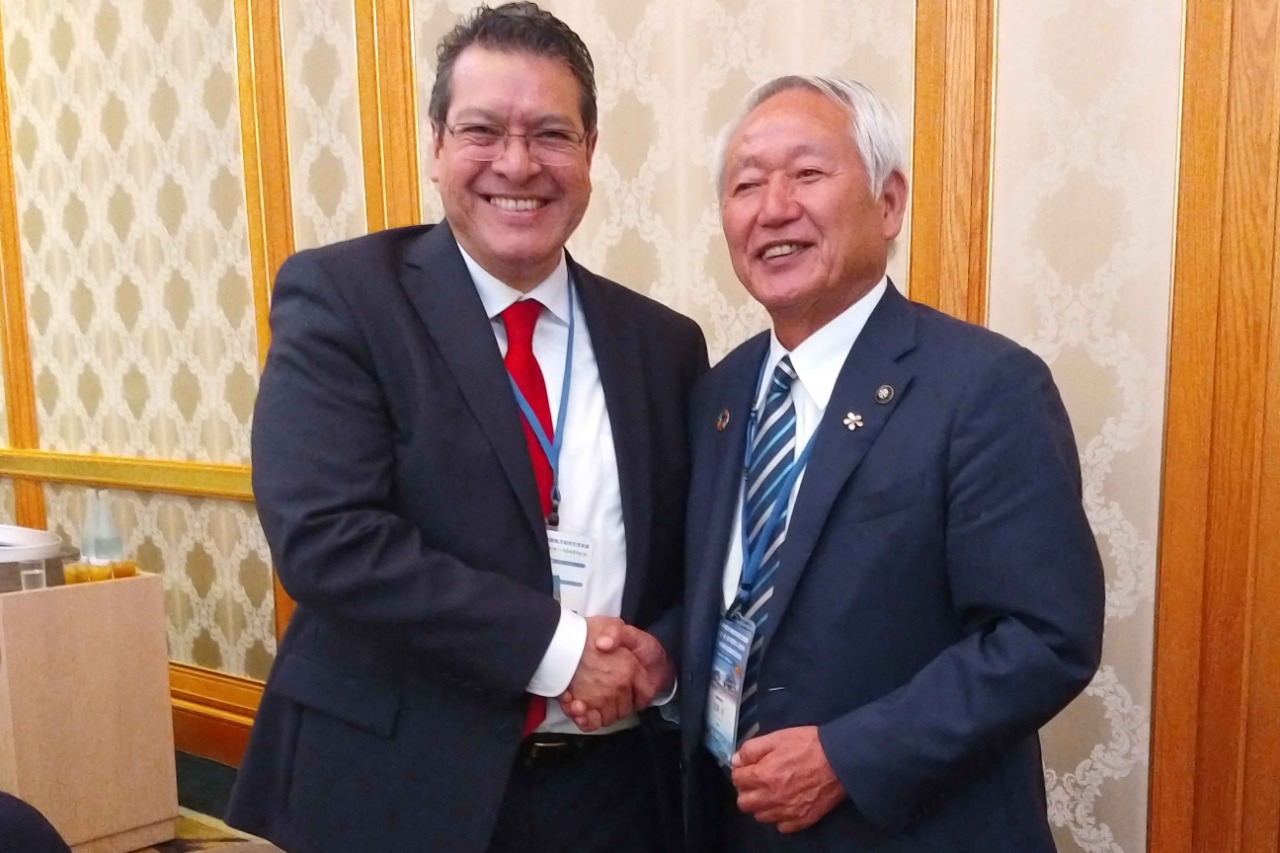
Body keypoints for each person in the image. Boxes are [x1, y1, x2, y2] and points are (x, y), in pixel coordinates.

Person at [224, 4, 707, 851]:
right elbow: (328, 539)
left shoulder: (664, 344)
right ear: (437, 145)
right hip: (396, 790)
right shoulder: (344, 300)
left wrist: (657, 654)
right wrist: (561, 648)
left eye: (551, 134)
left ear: (591, 152)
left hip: (614, 795)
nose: (517, 163)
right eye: (483, 130)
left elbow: (696, 556)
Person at [678, 76, 1105, 851]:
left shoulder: (986, 386)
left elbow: (1044, 636)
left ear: (888, 202)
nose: (773, 207)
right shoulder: (721, 393)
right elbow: (734, 602)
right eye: (746, 184)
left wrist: (847, 757)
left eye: (807, 173)